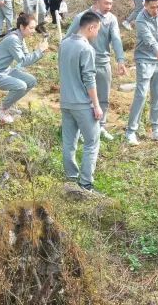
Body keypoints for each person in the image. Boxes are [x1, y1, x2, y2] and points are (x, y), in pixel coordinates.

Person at [67, 0, 126, 140]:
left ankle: (101, 126)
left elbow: (116, 39)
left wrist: (120, 60)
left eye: (111, 3)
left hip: (103, 63)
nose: (109, 6)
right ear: (96, 2)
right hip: (84, 64)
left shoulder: (111, 19)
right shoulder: (83, 18)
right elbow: (68, 39)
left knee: (103, 98)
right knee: (85, 98)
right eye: (106, 3)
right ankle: (82, 129)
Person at [59, 11, 103, 191]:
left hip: (66, 101)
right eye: (97, 30)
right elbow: (89, 79)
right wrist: (97, 105)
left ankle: (71, 177)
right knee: (92, 141)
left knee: (69, 141)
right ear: (91, 27)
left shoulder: (64, 43)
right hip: (82, 103)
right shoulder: (86, 49)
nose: (97, 34)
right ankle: (86, 183)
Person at [125, 0, 158, 145]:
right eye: (153, 7)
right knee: (141, 94)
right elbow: (152, 43)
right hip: (145, 60)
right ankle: (131, 131)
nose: (156, 10)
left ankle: (156, 129)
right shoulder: (140, 20)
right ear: (145, 5)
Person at [0, 13, 48, 124]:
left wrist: (39, 51)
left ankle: (9, 105)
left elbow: (26, 58)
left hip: (5, 70)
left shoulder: (20, 37)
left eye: (34, 28)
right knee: (21, 86)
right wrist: (39, 51)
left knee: (31, 81)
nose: (33, 31)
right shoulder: (13, 39)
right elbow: (23, 61)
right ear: (22, 27)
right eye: (31, 28)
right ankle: (2, 110)